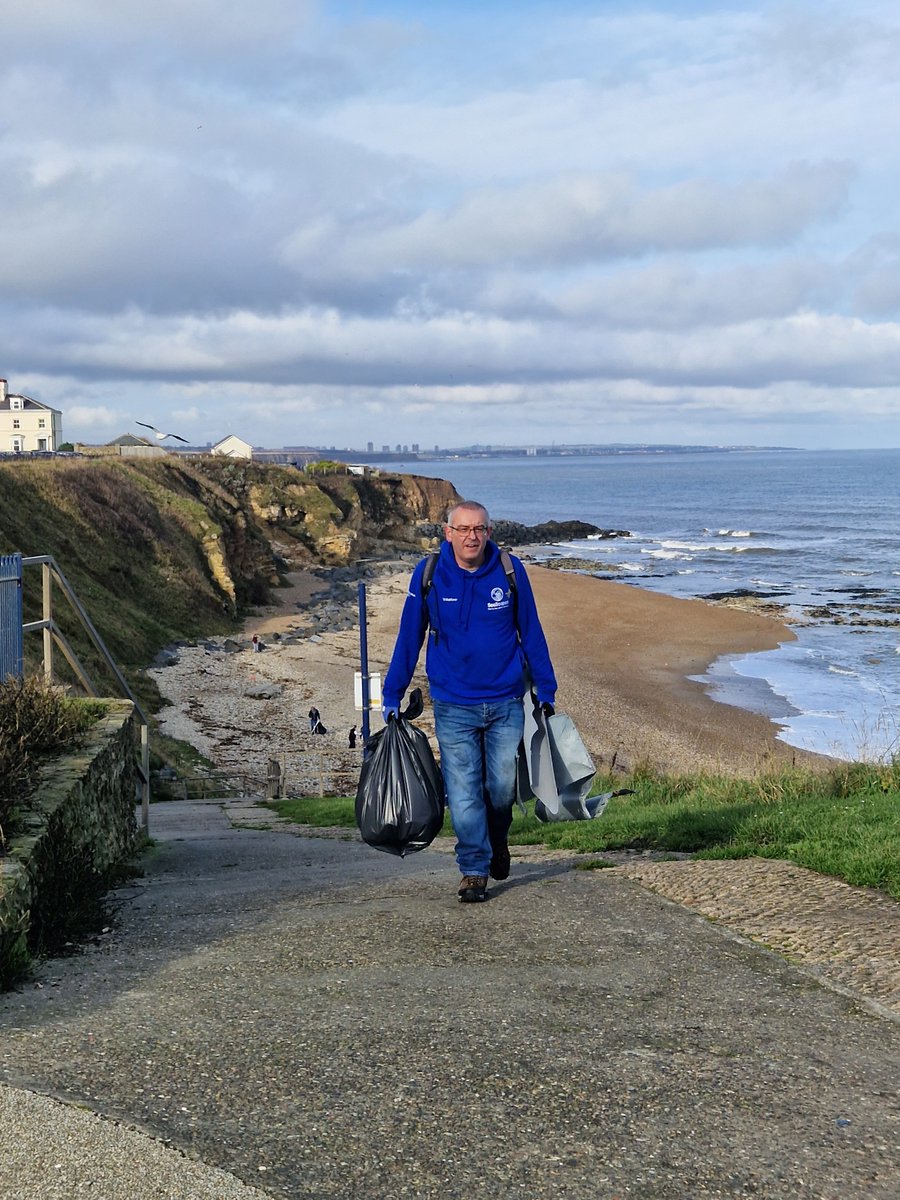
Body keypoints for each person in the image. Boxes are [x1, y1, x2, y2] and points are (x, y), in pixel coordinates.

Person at [382, 500, 557, 903]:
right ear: (448, 533)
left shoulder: (511, 573)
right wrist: (391, 694)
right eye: (463, 530)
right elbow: (409, 637)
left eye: (479, 529)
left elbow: (531, 632)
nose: (471, 537)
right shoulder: (428, 576)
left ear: (489, 533)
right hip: (452, 703)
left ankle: (498, 839)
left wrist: (546, 689)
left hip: (505, 700)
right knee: (462, 792)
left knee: (499, 789)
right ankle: (474, 869)